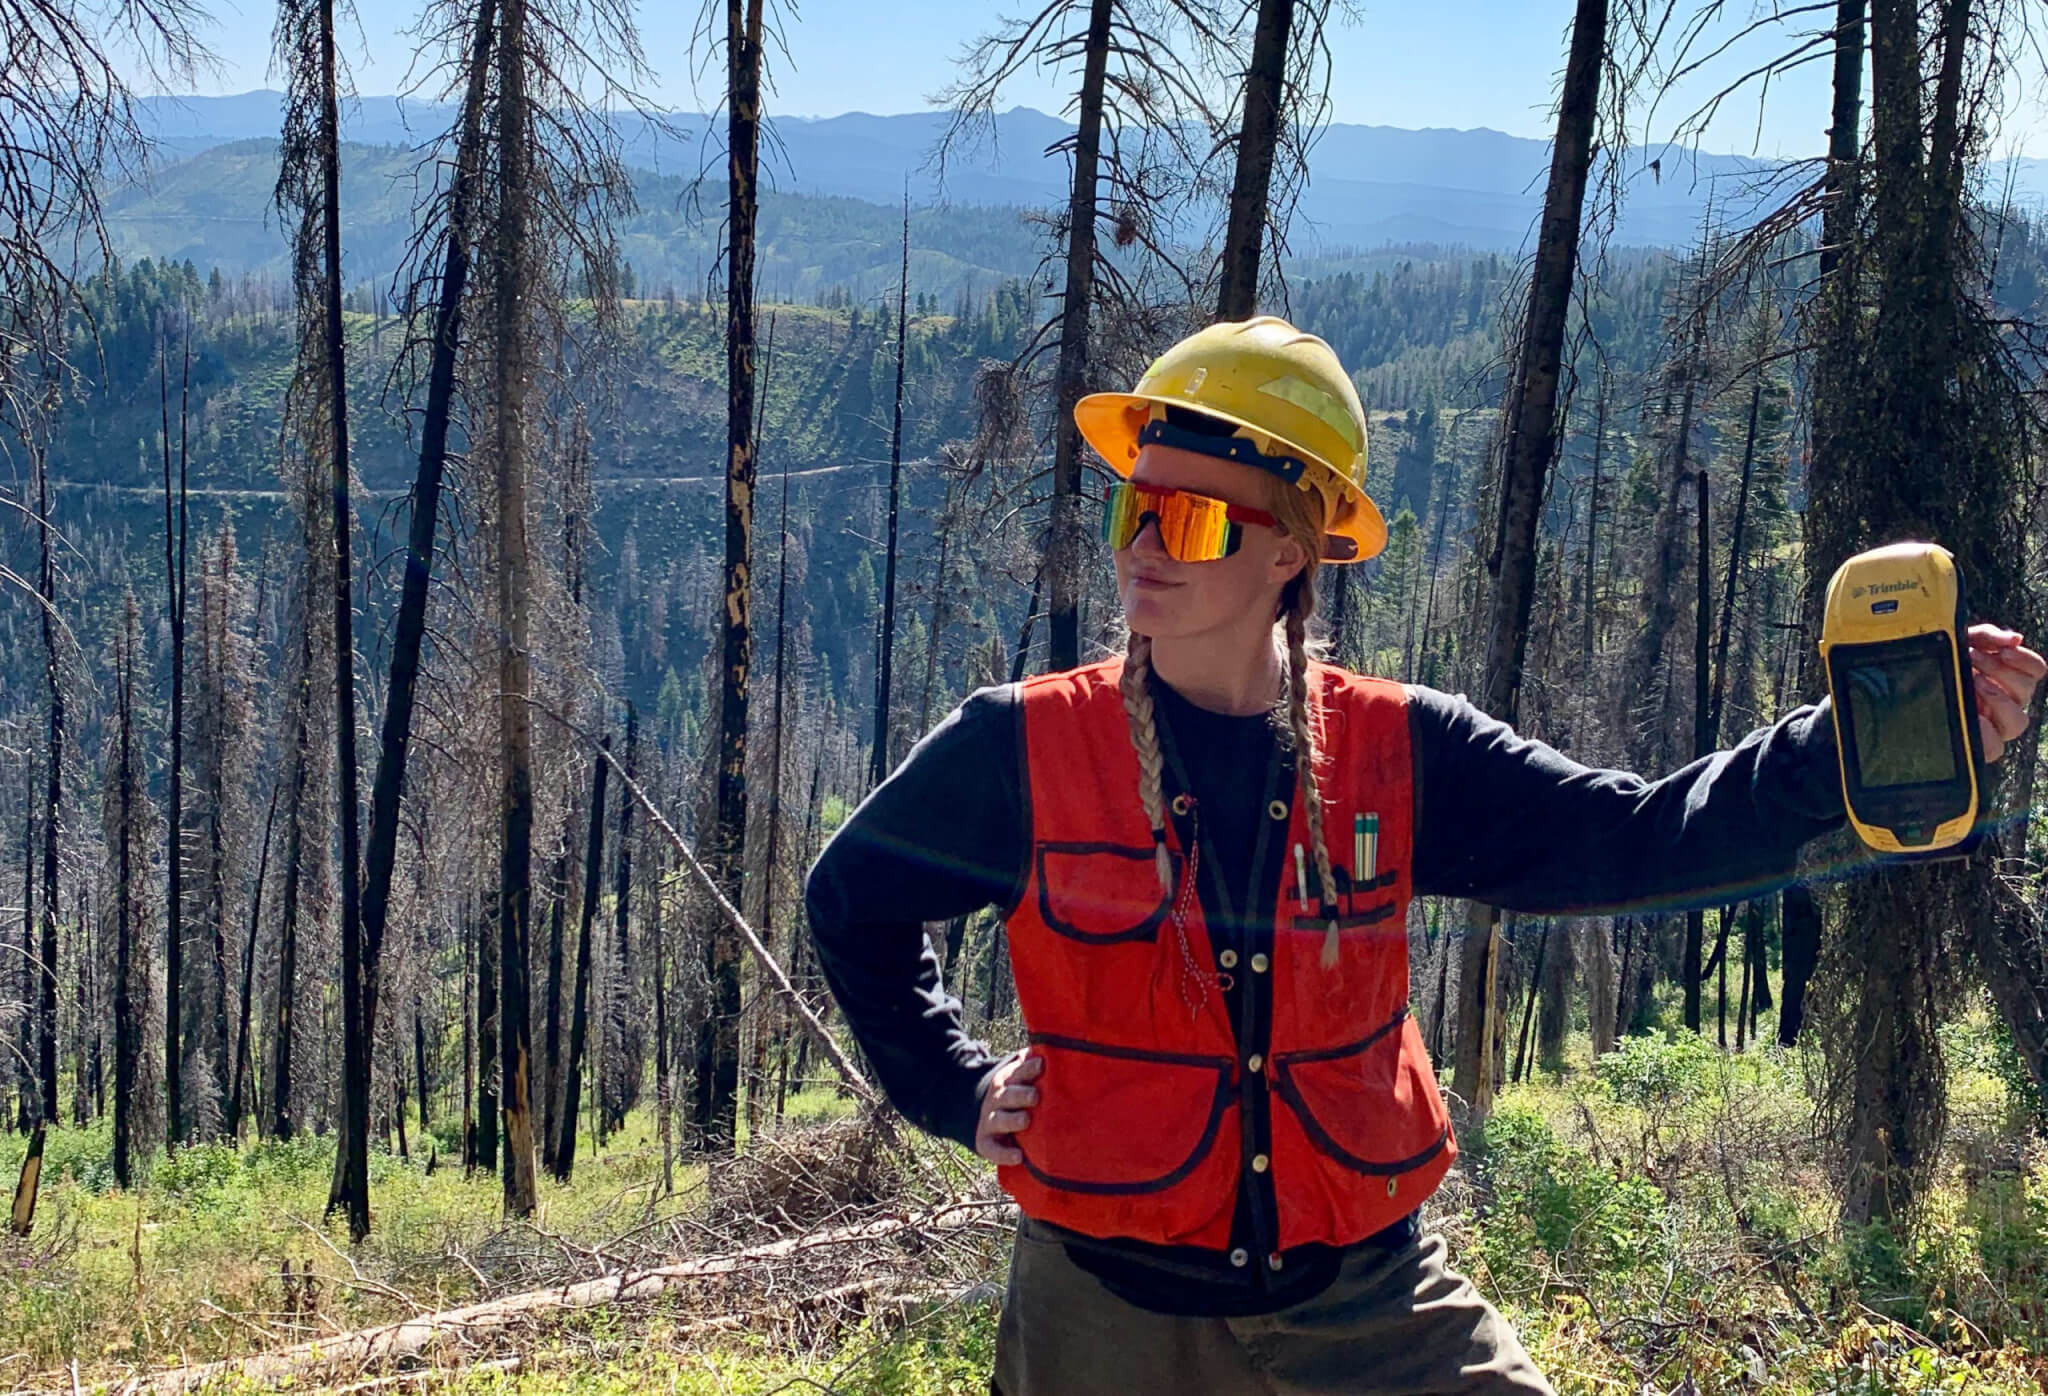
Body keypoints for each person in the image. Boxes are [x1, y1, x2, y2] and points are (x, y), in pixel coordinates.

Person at [805, 316, 2043, 1395]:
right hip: (1103, 1319)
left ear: (1291, 548)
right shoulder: (1018, 748)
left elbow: (1632, 837)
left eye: (1183, 516)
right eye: (1135, 505)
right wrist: (955, 1088)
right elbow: (850, 902)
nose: (1141, 546)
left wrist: (1845, 745)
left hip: (1368, 1306)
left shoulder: (1402, 751)